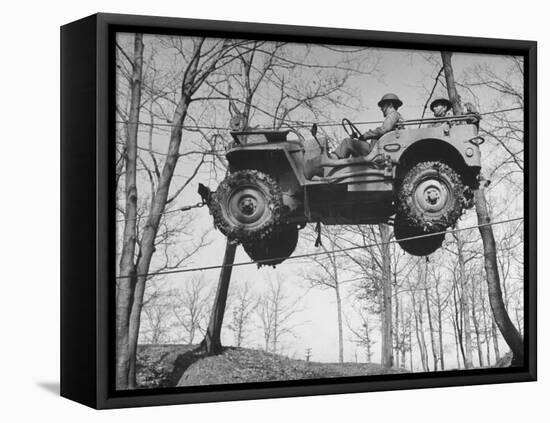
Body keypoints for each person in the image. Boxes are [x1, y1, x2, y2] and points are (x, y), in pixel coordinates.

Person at [333, 93, 404, 159]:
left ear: (390, 105)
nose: (381, 109)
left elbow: (383, 130)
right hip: (378, 148)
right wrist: (362, 138)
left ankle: (332, 160)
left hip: (376, 151)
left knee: (347, 142)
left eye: (383, 106)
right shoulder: (396, 116)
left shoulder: (393, 115)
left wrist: (366, 135)